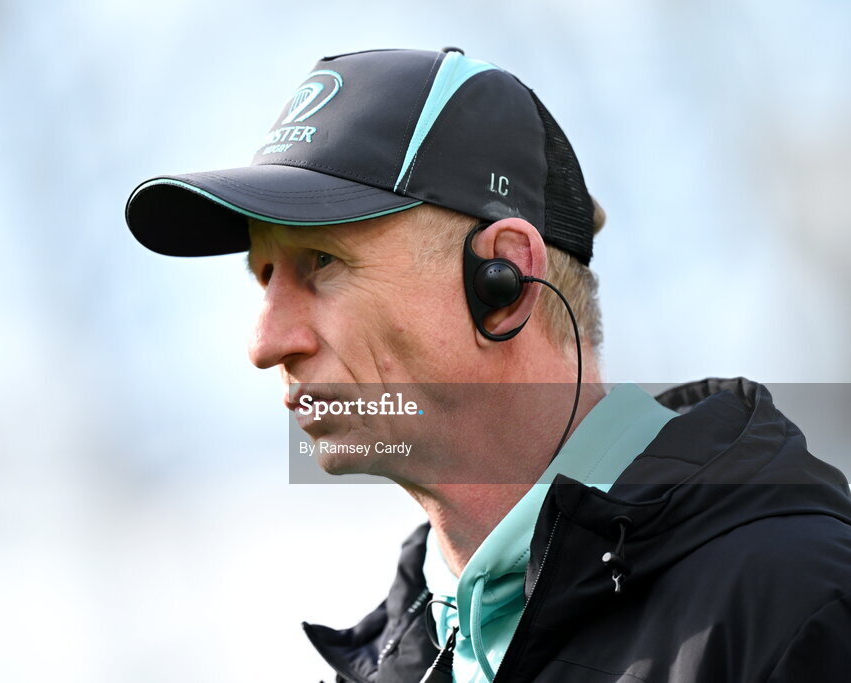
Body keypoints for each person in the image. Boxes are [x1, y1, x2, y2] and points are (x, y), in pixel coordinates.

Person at [124, 47, 851, 682]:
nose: (266, 342)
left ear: (501, 282)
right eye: (263, 276)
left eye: (321, 263)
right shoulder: (406, 654)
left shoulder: (800, 602)